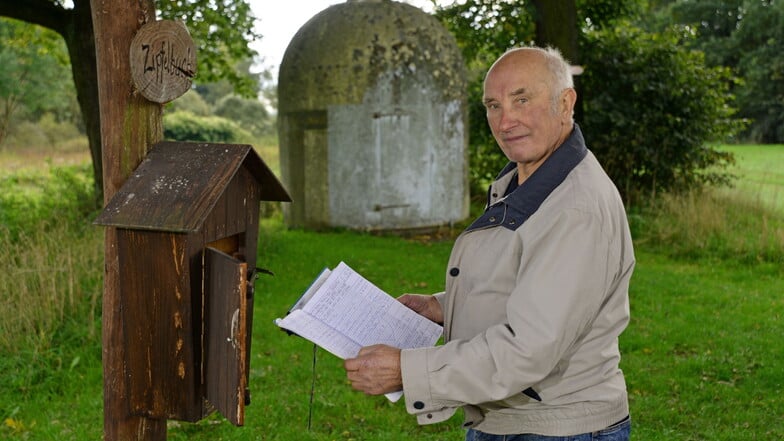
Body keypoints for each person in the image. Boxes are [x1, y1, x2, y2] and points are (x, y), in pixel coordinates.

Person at [344, 46, 635, 440]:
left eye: (521, 99)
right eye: (493, 105)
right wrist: (440, 306)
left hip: (555, 429)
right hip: (511, 419)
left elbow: (527, 349)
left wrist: (406, 371)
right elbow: (525, 284)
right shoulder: (526, 180)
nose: (506, 119)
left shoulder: (575, 209)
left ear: (565, 103)